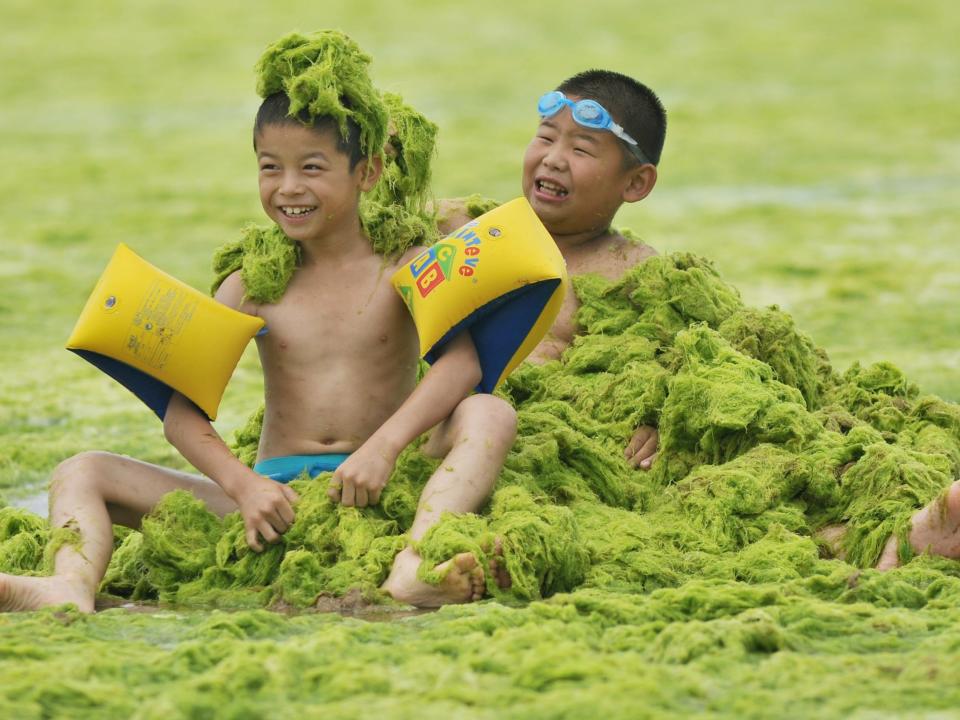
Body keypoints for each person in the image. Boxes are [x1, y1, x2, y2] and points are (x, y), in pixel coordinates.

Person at [0, 80, 517, 613]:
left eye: (312, 168)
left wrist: (382, 450)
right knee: (82, 469)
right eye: (271, 167)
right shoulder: (252, 284)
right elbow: (183, 415)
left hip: (384, 482)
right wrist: (244, 486)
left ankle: (415, 560)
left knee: (490, 412)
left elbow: (461, 366)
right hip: (276, 496)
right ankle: (71, 584)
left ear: (366, 174)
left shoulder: (406, 264)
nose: (288, 187)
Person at [437, 69, 667, 471]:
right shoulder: (458, 226)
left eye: (581, 150)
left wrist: (661, 420)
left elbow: (674, 367)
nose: (553, 158)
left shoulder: (634, 274)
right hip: (433, 429)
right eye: (544, 137)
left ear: (635, 183)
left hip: (537, 456)